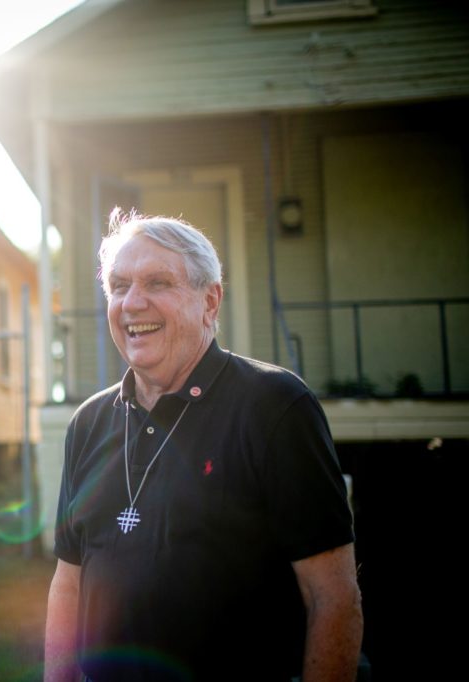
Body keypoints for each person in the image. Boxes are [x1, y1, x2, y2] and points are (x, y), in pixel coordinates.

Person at [44, 211, 362, 682]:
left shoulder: (275, 406)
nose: (133, 303)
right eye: (119, 285)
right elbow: (68, 581)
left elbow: (332, 596)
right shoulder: (88, 422)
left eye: (157, 282)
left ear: (210, 301)